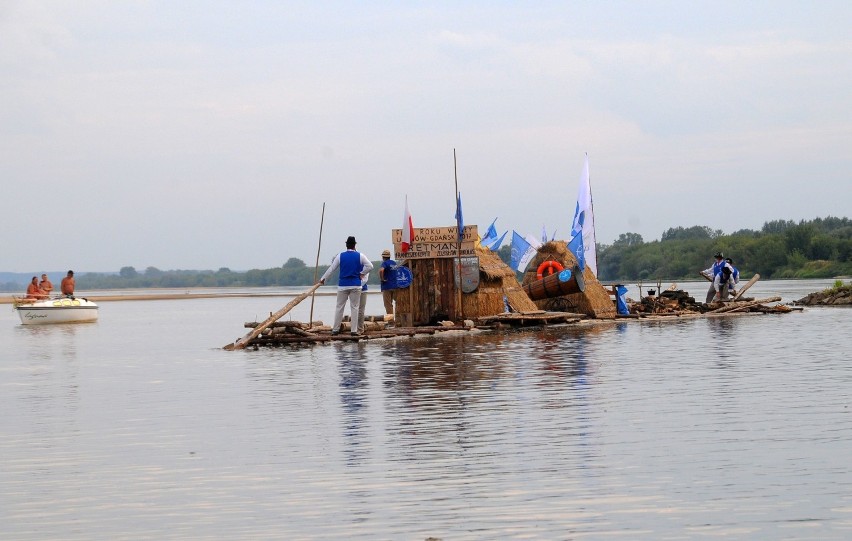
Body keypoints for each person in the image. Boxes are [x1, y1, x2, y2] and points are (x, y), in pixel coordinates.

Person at [319, 236, 373, 336]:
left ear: (346, 245)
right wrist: (362, 273)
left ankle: (335, 329)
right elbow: (370, 266)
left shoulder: (340, 256)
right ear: (354, 245)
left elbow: (331, 269)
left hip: (343, 285)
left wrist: (323, 279)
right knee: (355, 307)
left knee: (339, 307)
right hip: (356, 285)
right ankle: (353, 331)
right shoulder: (360, 255)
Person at [378, 249, 397, 316]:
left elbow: (381, 270)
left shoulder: (384, 263)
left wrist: (382, 279)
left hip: (387, 286)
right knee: (397, 302)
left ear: (383, 257)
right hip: (395, 286)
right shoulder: (394, 263)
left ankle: (391, 321)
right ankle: (398, 318)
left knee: (388, 304)